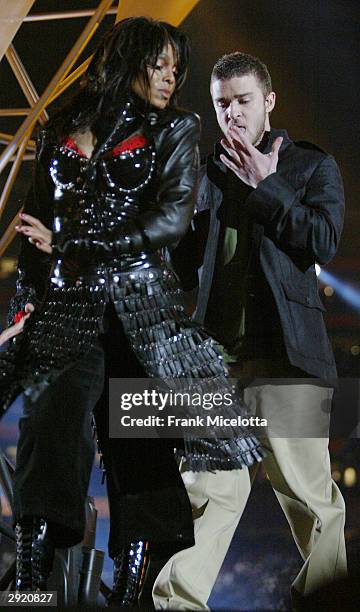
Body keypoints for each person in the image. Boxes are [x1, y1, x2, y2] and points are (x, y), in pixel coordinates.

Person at [0, 23, 263, 603]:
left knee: (141, 461)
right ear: (128, 60)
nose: (172, 76)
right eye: (161, 64)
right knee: (49, 442)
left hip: (143, 321)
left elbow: (171, 220)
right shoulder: (63, 127)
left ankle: (131, 595)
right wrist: (25, 308)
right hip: (68, 309)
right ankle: (28, 590)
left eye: (177, 67)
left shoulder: (177, 129)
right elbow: (31, 230)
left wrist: (77, 245)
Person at [153, 52, 347, 610]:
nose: (232, 114)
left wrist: (268, 185)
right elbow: (186, 268)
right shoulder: (206, 172)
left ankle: (328, 600)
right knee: (208, 495)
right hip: (217, 363)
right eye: (222, 104)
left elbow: (323, 240)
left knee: (311, 499)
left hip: (289, 359)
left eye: (242, 101)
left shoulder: (310, 166)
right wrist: (179, 210)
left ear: (269, 103)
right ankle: (177, 604)